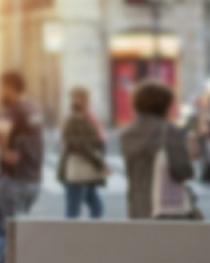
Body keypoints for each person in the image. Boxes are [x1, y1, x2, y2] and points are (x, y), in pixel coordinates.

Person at [0, 71, 44, 263]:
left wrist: (4, 151)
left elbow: (0, 132)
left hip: (14, 178)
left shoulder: (13, 110)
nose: (0, 92)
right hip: (33, 179)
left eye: (2, 87)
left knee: (5, 231)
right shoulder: (33, 108)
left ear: (10, 87)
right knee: (20, 231)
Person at [120, 80, 194, 219]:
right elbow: (182, 171)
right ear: (164, 105)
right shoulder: (169, 130)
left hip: (137, 205)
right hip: (167, 207)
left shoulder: (127, 134)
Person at [57, 86, 108, 219]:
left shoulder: (87, 116)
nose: (86, 101)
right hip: (78, 169)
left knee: (95, 207)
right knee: (74, 211)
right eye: (83, 98)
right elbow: (76, 143)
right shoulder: (75, 117)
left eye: (86, 98)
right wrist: (98, 162)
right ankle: (78, 233)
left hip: (85, 169)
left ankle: (91, 231)